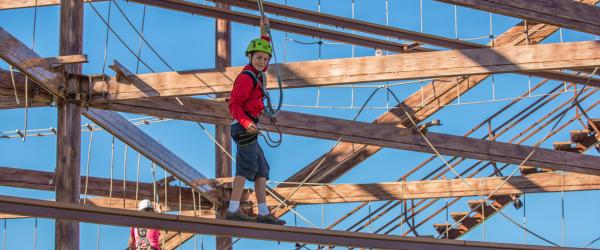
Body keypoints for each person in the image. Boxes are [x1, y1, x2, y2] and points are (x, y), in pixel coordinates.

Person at [226, 16, 285, 225]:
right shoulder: (246, 78)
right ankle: (233, 208)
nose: (262, 61)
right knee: (246, 167)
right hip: (244, 127)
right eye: (258, 58)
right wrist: (245, 122)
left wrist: (263, 31)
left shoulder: (258, 74)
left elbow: (264, 46)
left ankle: (263, 212)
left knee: (262, 169)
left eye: (265, 59)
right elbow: (234, 105)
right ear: (250, 57)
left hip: (250, 127)